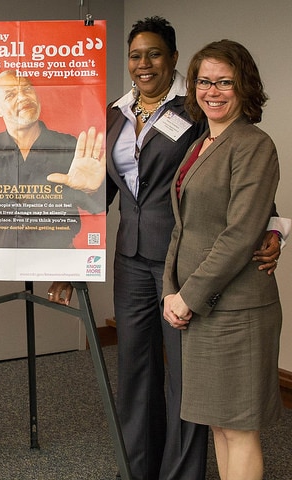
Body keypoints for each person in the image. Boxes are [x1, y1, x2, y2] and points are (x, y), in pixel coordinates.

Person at [47, 17, 285, 480]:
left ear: (174, 57)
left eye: (154, 53)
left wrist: (273, 229)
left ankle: (181, 473)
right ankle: (136, 467)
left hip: (187, 262)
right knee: (136, 370)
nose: (144, 63)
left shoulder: (197, 107)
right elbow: (99, 193)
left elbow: (240, 177)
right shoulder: (115, 112)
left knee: (186, 377)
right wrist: (69, 259)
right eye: (135, 55)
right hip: (132, 258)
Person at [163, 39, 282, 480]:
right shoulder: (203, 142)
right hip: (201, 307)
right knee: (218, 421)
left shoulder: (253, 144)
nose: (212, 91)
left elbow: (241, 233)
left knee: (239, 428)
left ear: (243, 85)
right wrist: (169, 290)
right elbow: (185, 224)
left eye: (224, 82)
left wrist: (188, 296)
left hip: (238, 310)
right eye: (203, 81)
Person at [0, 69, 106, 248]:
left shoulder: (70, 147)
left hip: (58, 261)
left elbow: (97, 207)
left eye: (27, 89)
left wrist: (93, 190)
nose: (23, 97)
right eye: (10, 94)